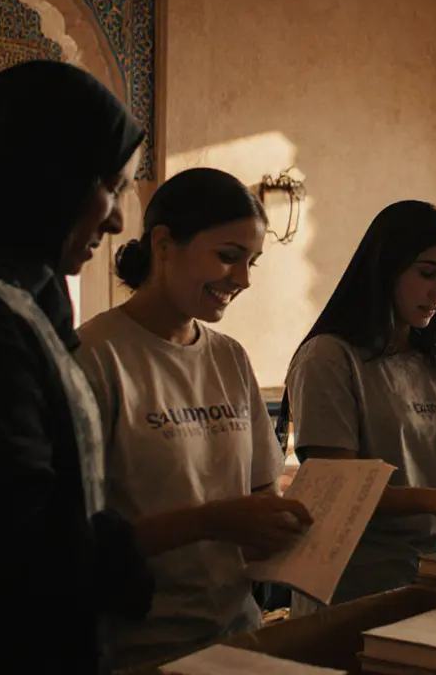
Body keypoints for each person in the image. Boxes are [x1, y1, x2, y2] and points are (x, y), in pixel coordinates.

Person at [0, 61, 153, 673]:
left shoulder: (10, 301)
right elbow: (6, 545)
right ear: (44, 177)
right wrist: (118, 561)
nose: (114, 220)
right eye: (109, 184)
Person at [75, 168, 311, 669]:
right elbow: (76, 539)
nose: (243, 279)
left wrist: (280, 525)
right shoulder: (95, 357)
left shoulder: (228, 357)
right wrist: (212, 520)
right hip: (141, 650)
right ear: (163, 245)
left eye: (252, 262)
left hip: (238, 639)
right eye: (228, 257)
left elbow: (259, 491)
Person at [279, 200, 436, 613]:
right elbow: (338, 487)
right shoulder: (329, 358)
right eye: (427, 274)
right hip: (356, 587)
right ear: (386, 268)